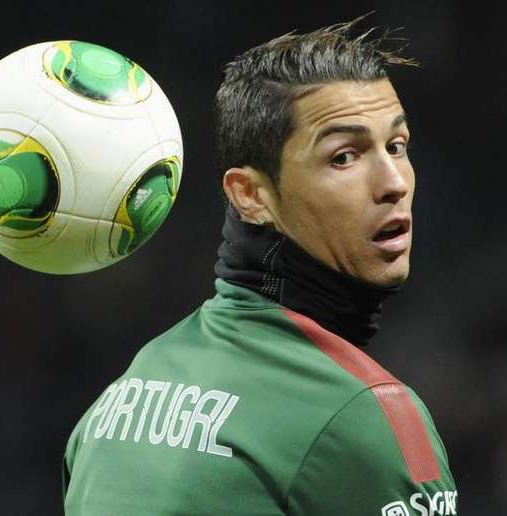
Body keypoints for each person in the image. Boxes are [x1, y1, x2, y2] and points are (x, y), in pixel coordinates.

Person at [62, 18, 458, 516]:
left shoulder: (123, 396)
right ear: (250, 195)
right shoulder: (362, 414)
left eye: (397, 147)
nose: (394, 182)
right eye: (344, 156)